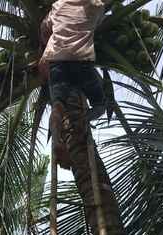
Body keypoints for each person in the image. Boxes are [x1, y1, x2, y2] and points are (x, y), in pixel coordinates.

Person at [39, 0, 111, 169]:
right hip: (81, 62)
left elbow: (44, 28)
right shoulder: (95, 6)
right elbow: (101, 15)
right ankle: (80, 125)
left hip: (57, 61)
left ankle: (57, 140)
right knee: (100, 106)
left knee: (57, 105)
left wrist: (44, 46)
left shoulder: (57, 6)